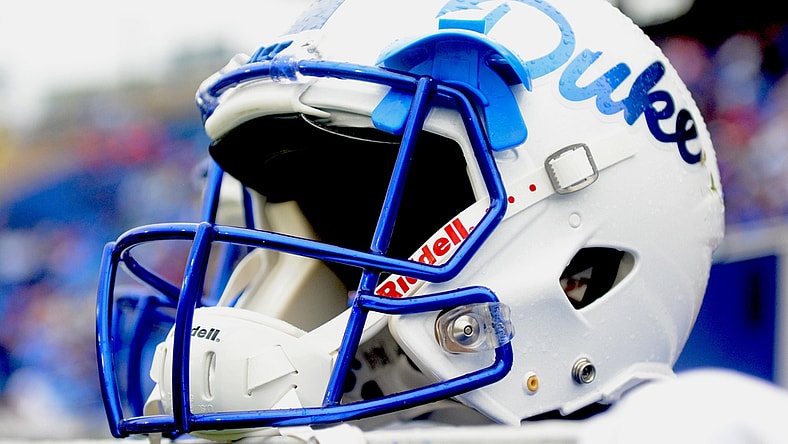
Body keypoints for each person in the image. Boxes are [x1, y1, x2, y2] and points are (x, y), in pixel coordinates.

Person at [96, 0, 782, 442]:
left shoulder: (704, 425)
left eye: (375, 207)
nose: (325, 253)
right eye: (328, 214)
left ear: (585, 268)